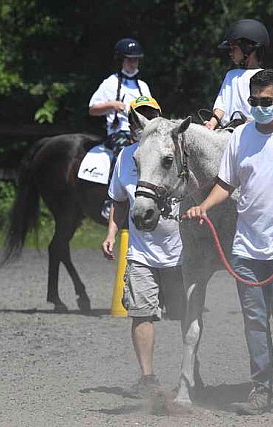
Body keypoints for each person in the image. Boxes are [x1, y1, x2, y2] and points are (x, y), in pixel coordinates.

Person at [184, 69, 273, 414]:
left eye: (266, 102)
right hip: (247, 247)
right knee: (254, 320)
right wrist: (202, 206)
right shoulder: (241, 137)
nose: (259, 107)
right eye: (254, 102)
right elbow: (226, 183)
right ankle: (263, 389)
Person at [101, 96, 185, 397]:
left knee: (187, 314)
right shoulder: (125, 157)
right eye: (138, 118)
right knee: (141, 312)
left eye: (150, 115)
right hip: (141, 251)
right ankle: (148, 378)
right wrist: (111, 233)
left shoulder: (176, 152)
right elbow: (119, 201)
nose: (143, 123)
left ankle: (190, 373)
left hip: (179, 250)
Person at [88, 37, 152, 219]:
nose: (133, 63)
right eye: (129, 59)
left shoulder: (143, 86)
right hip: (119, 132)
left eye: (136, 59)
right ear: (122, 60)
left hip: (141, 132)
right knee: (123, 152)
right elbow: (92, 109)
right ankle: (110, 202)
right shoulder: (110, 83)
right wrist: (112, 104)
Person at [204, 19, 269, 130]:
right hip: (228, 130)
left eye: (234, 48)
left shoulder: (264, 77)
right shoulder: (231, 75)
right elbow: (221, 105)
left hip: (252, 129)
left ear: (248, 48)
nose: (230, 53)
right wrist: (212, 122)